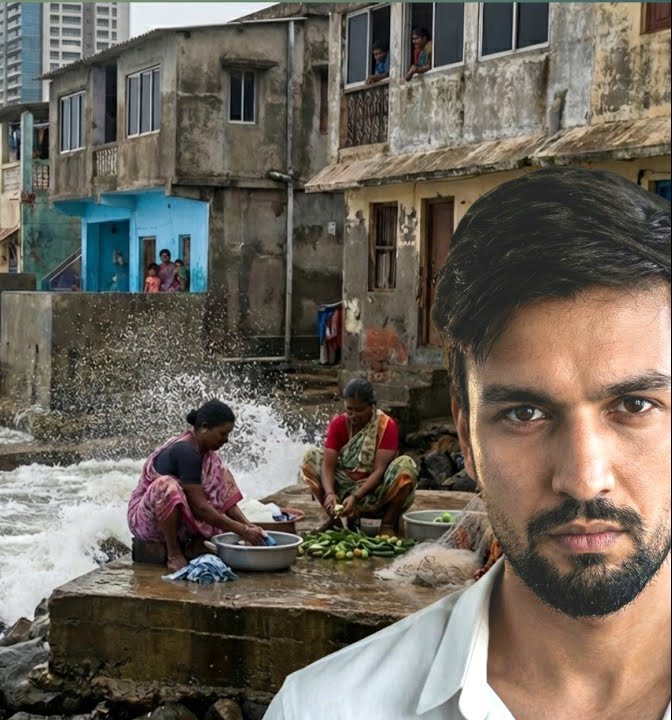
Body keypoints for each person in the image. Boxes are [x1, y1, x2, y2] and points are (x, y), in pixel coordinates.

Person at [265, 167, 671, 719]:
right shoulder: (324, 709)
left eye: (635, 406)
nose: (582, 477)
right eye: (525, 413)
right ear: (467, 436)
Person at [128, 400, 268, 572]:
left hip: (180, 521)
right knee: (166, 486)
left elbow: (226, 501)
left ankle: (193, 543)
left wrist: (249, 526)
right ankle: (174, 554)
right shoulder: (186, 451)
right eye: (222, 434)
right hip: (148, 522)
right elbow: (199, 508)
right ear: (204, 427)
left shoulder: (208, 456)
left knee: (221, 471)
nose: (226, 440)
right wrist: (243, 531)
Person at [299, 378, 418, 535]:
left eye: (360, 410)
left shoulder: (385, 426)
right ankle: (336, 521)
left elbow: (379, 470)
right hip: (344, 485)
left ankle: (388, 524)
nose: (354, 415)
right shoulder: (339, 424)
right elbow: (328, 465)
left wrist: (357, 495)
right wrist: (330, 493)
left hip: (375, 487)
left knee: (405, 466)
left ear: (371, 405)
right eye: (349, 410)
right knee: (311, 457)